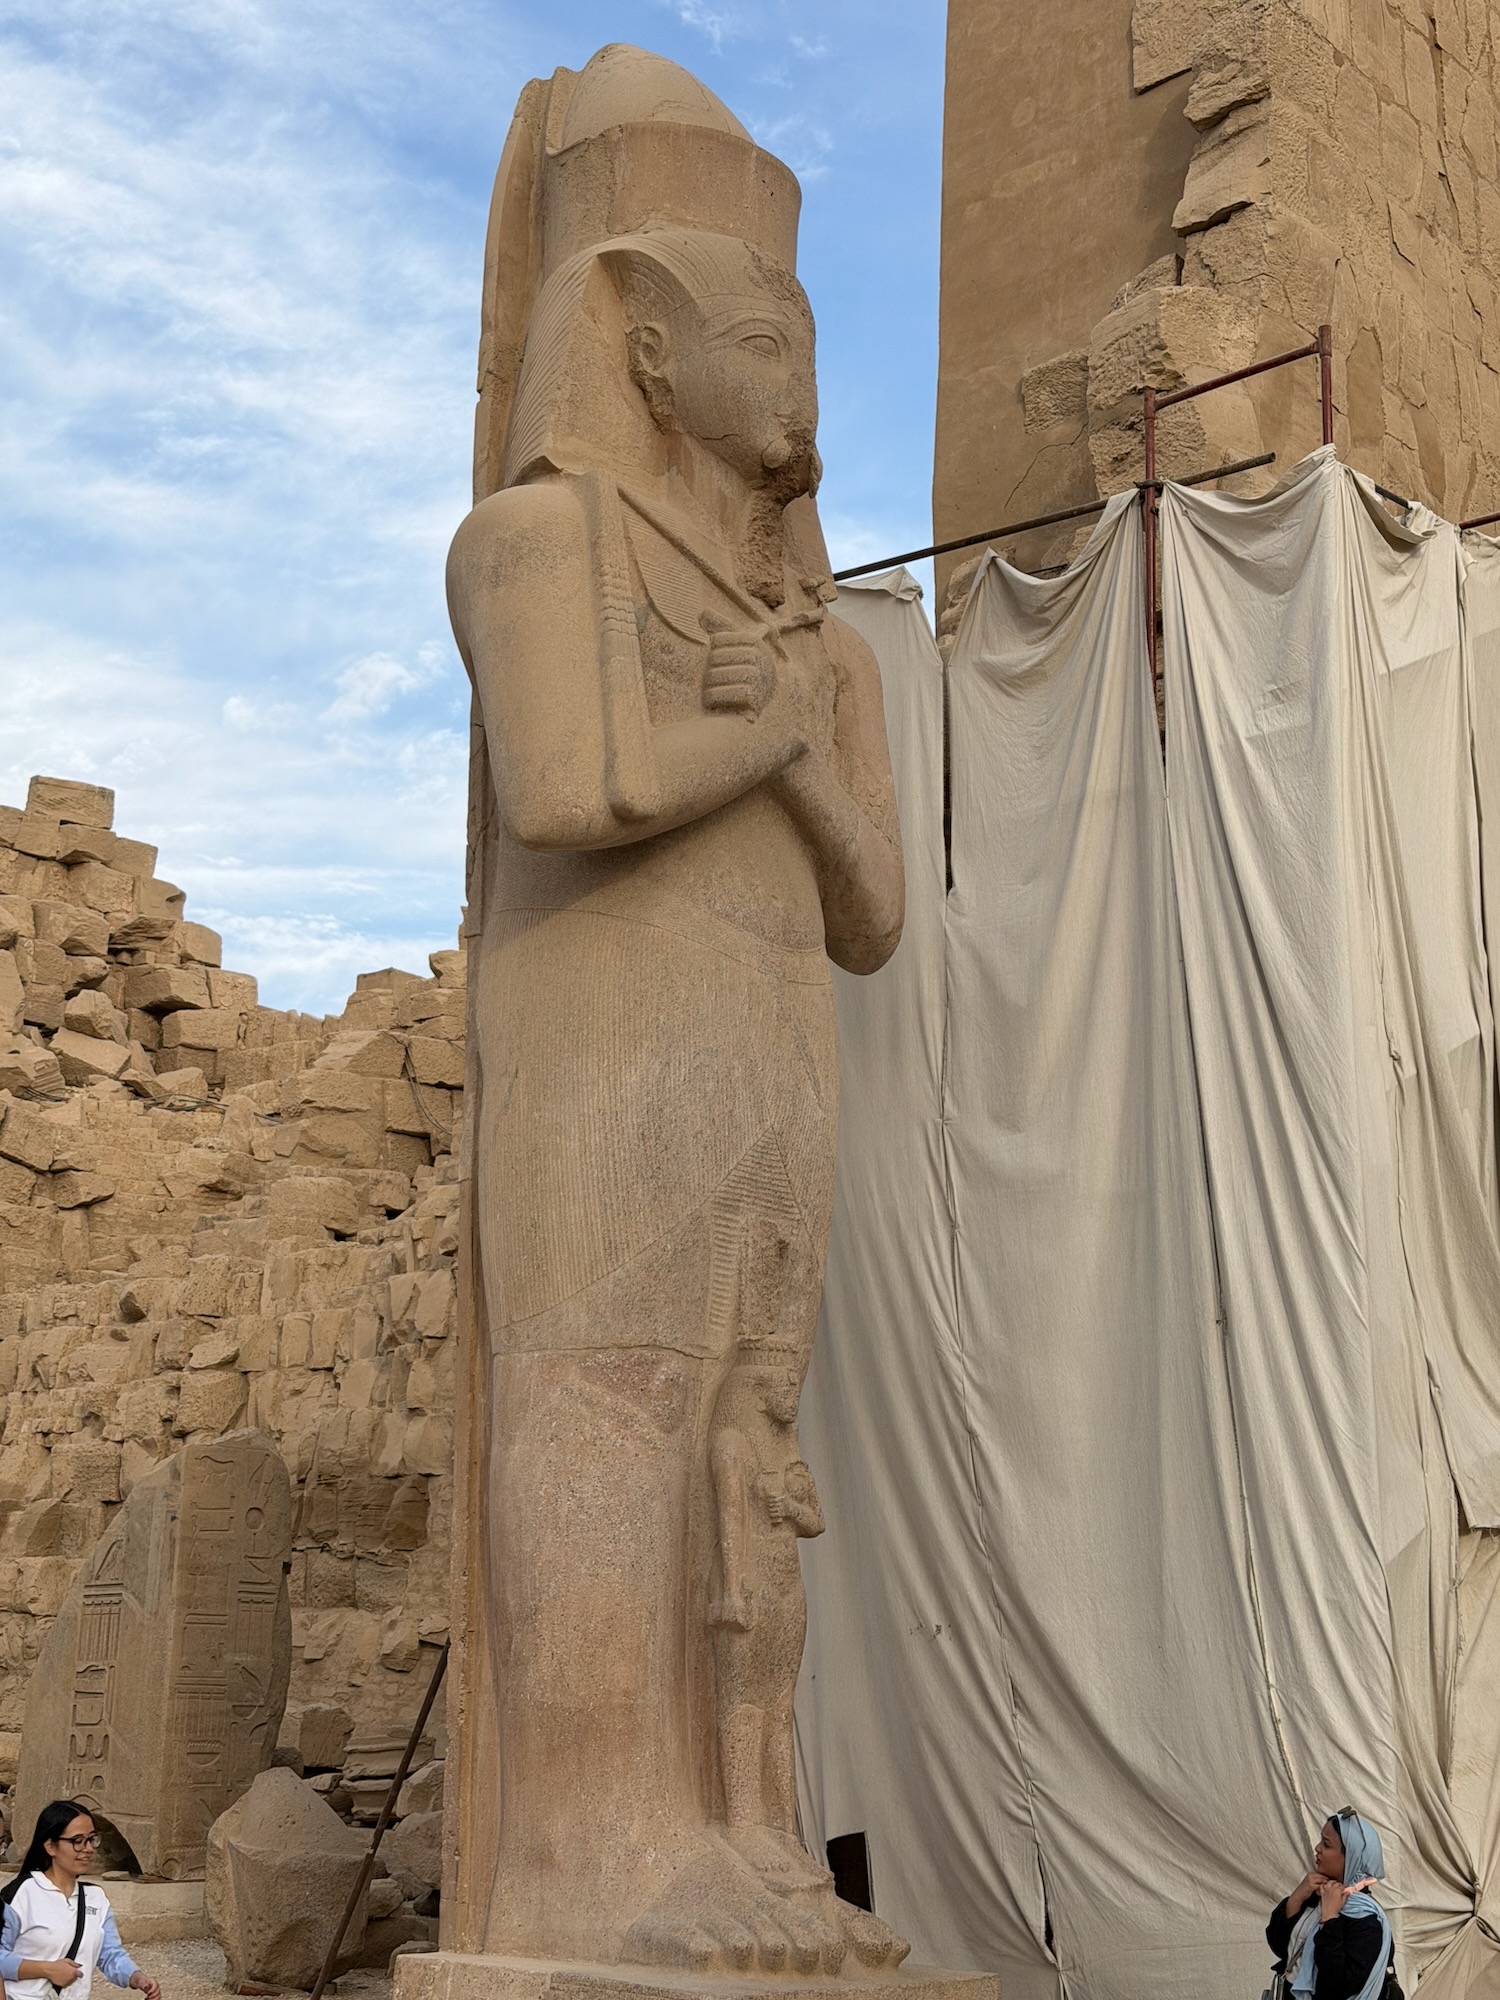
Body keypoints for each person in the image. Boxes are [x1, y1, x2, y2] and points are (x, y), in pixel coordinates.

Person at [1, 1801, 161, 2000]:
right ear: (50, 1846)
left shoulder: (96, 1898)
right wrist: (46, 1969)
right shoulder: (21, 1894)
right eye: (78, 1841)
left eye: (92, 1839)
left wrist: (137, 1978)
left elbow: (110, 1953)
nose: (88, 1849)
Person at [1266, 1808, 1397, 1999]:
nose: (1317, 1848)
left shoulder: (1366, 1918)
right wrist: (1296, 1898)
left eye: (1326, 1844)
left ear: (1351, 1857)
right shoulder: (1317, 1895)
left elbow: (1342, 1983)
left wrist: (1329, 1921)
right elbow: (1279, 1946)